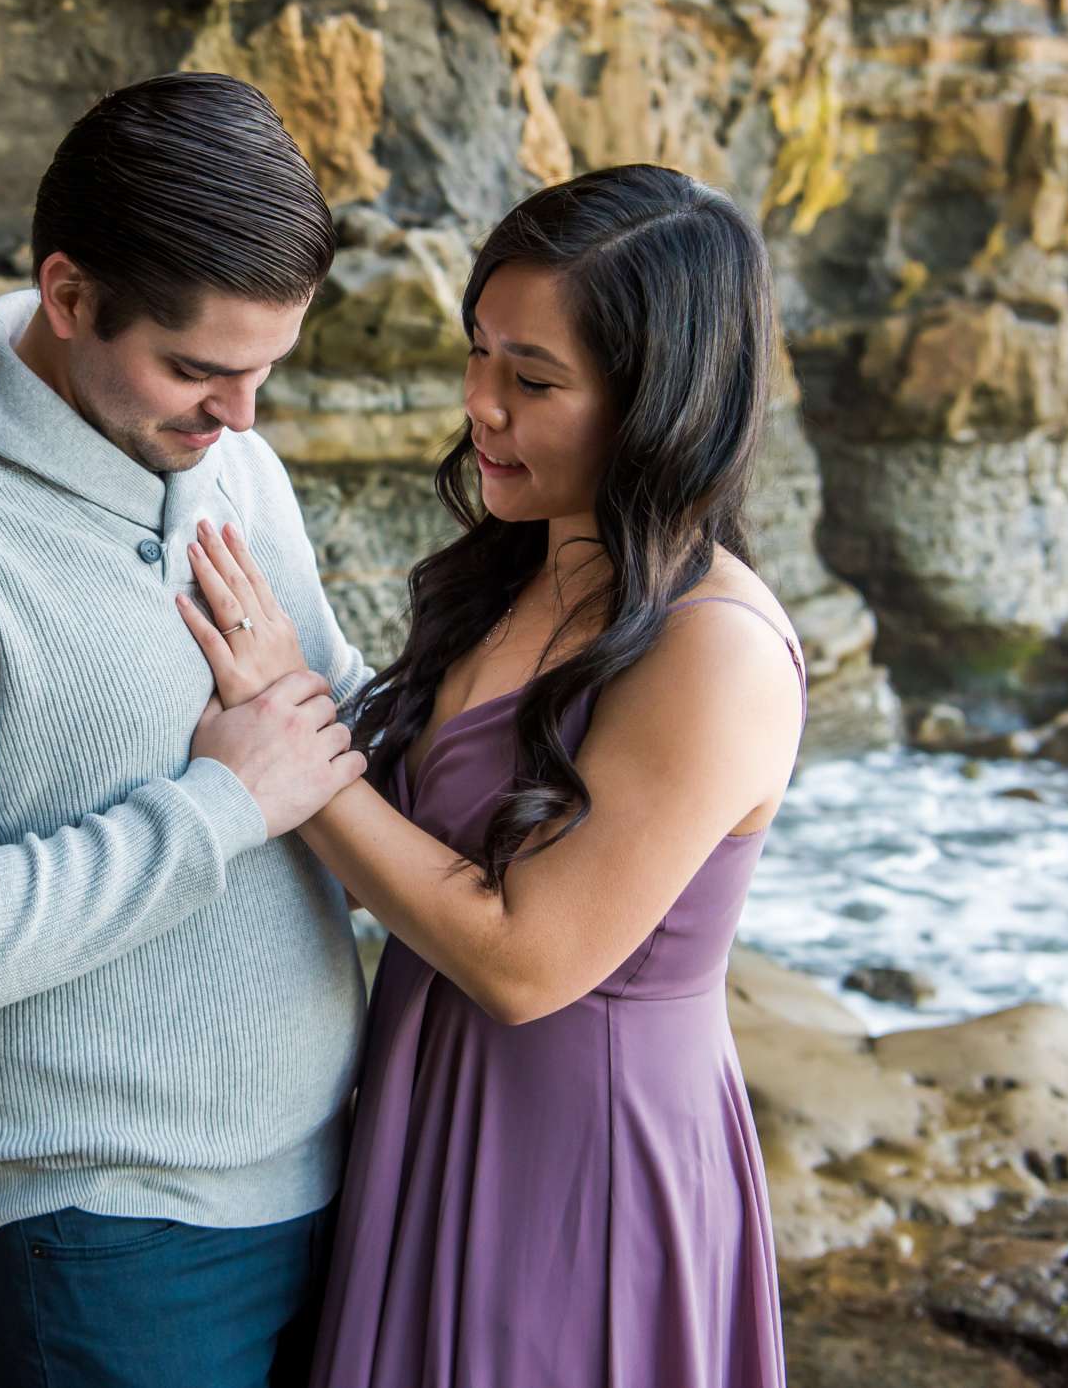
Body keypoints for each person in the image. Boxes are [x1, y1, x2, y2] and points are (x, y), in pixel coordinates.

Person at [0, 72, 374, 1388]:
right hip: (101, 1239)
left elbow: (326, 720)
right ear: (67, 296)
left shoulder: (235, 464)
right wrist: (218, 805)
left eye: (267, 371)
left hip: (332, 1172)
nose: (242, 419)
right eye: (199, 370)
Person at [177, 163, 799, 1386]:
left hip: (585, 1166)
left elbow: (525, 962)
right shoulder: (524, 567)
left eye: (533, 379)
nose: (480, 407)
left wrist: (284, 734)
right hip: (430, 1105)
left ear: (659, 403)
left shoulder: (712, 650)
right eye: (479, 354)